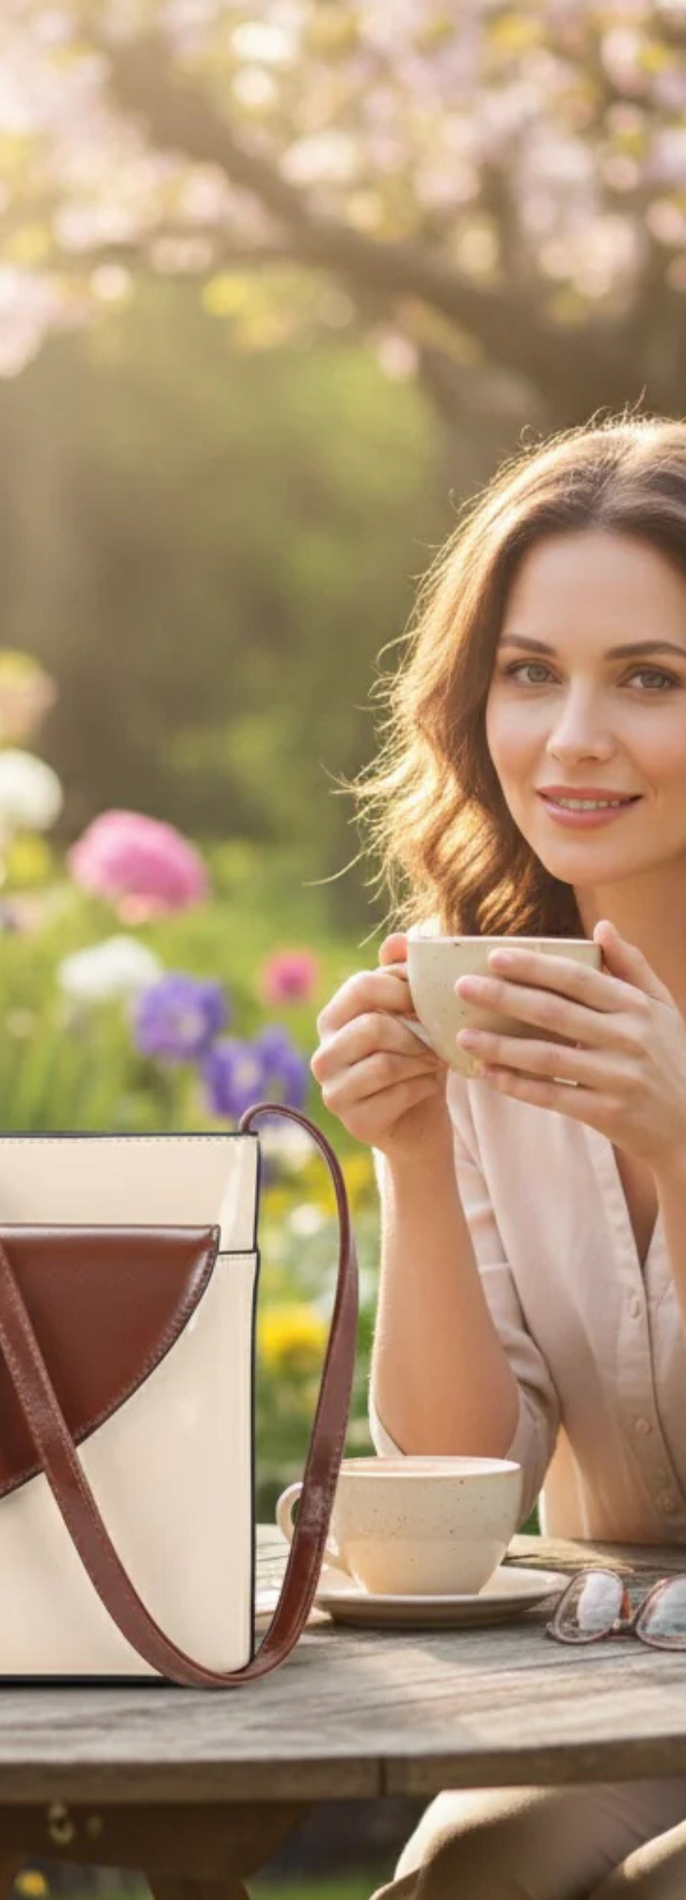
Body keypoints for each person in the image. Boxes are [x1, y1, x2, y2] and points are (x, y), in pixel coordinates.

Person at [310, 412, 686, 1899]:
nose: (570, 738)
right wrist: (409, 1153)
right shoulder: (494, 1008)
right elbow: (466, 1486)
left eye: (649, 679)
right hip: (621, 1677)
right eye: (531, 673)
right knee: (462, 1882)